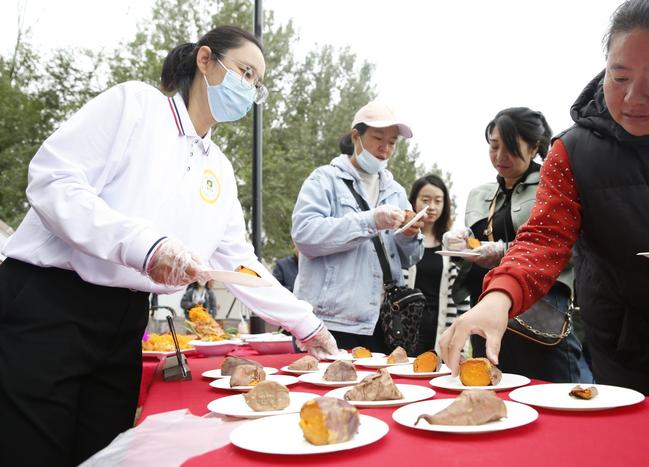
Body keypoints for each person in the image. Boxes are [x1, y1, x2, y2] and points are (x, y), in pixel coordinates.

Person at [0, 25, 338, 466]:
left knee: (102, 453)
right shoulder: (136, 106)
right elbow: (53, 180)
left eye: (258, 81)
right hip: (50, 304)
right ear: (205, 60)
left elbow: (240, 263)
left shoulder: (217, 167)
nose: (250, 88)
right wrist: (145, 246)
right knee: (31, 449)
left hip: (123, 322)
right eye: (245, 71)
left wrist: (307, 325)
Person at [440, 0, 649, 403]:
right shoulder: (576, 152)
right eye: (619, 76)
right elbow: (544, 237)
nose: (632, 98)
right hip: (634, 352)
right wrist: (499, 297)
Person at [446, 108, 592, 383]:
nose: (500, 156)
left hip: (540, 308)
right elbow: (472, 249)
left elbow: (567, 248)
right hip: (484, 305)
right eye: (494, 146)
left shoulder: (552, 186)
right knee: (491, 387)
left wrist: (502, 251)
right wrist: (459, 247)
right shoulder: (480, 195)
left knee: (554, 388)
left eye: (510, 147)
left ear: (534, 146)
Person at [292, 101, 424, 353]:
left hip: (383, 322)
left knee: (381, 391)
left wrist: (410, 234)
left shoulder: (395, 190)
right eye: (377, 138)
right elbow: (305, 235)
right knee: (325, 391)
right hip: (330, 322)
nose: (385, 148)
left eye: (393, 142)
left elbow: (410, 259)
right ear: (356, 136)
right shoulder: (324, 180)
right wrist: (370, 221)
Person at [406, 175, 469, 354]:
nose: (432, 207)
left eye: (438, 201)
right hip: (404, 325)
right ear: (413, 201)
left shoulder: (452, 246)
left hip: (440, 326)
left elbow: (461, 296)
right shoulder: (402, 241)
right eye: (425, 200)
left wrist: (462, 341)